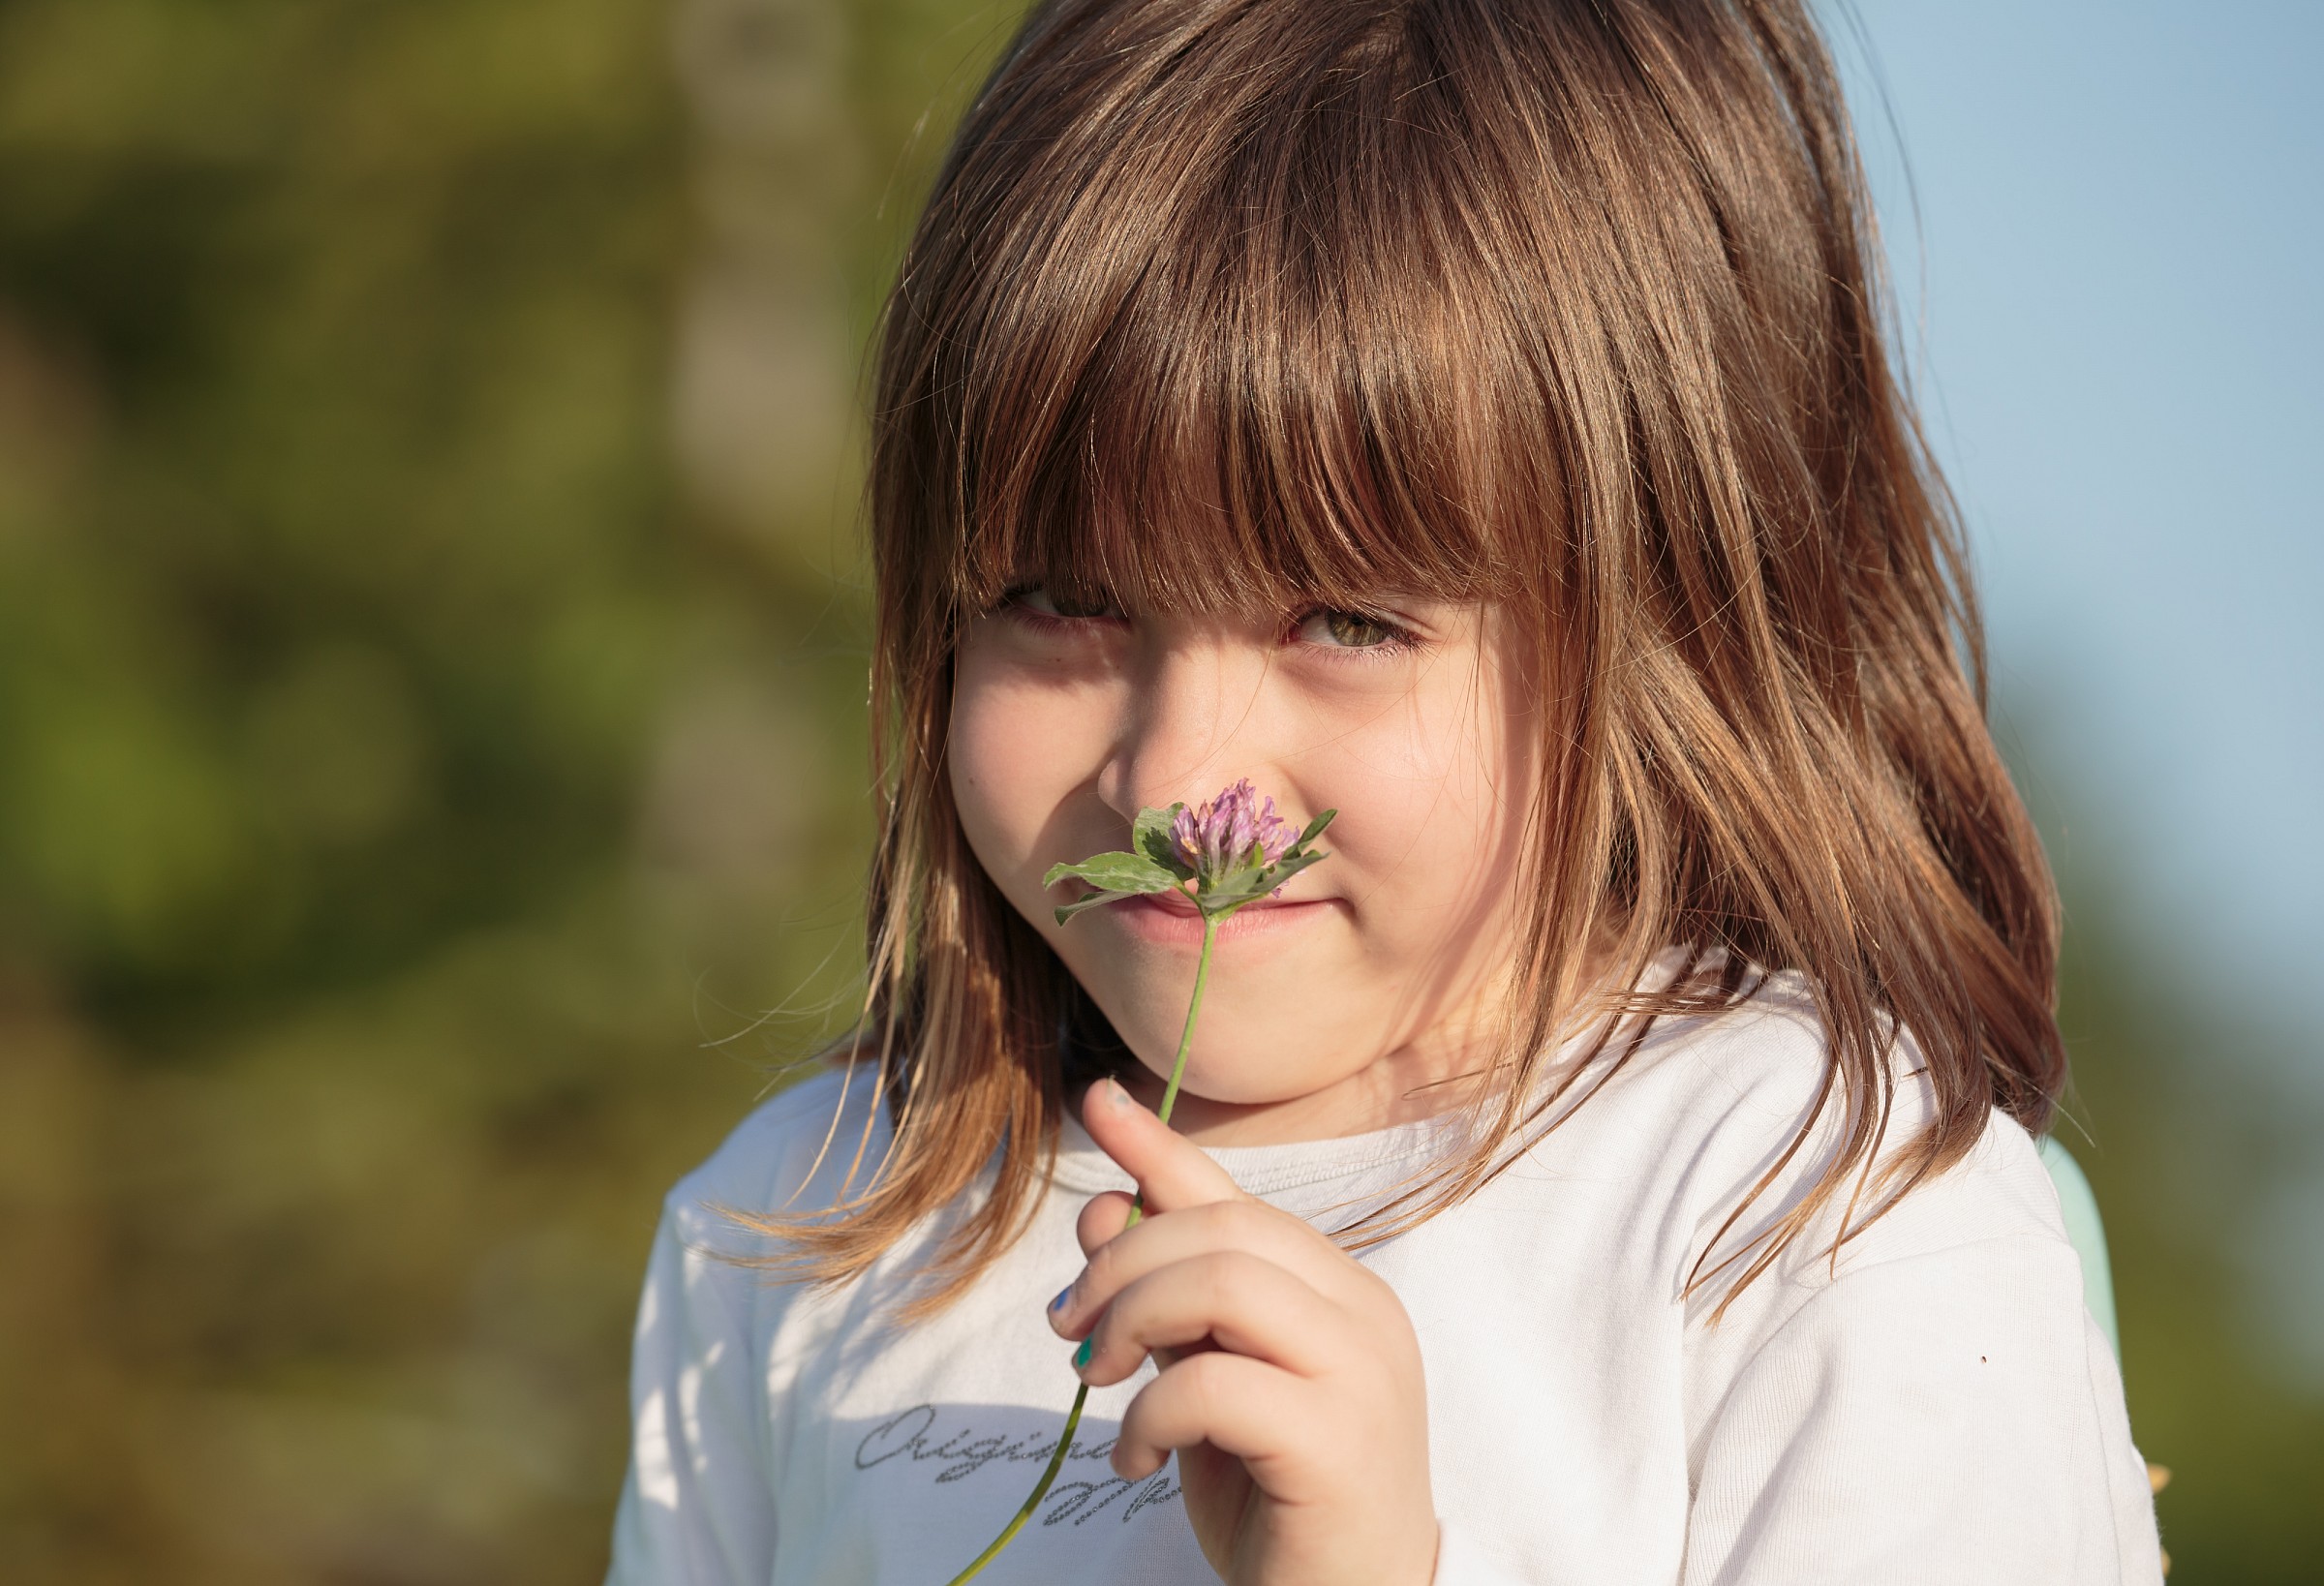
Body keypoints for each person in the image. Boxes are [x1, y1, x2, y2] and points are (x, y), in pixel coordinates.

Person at [604, 1, 2166, 1581]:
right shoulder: (791, 1229)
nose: (1172, 774)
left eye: (1346, 620)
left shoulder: (1813, 1211)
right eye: (1063, 598)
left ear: (1670, 619)